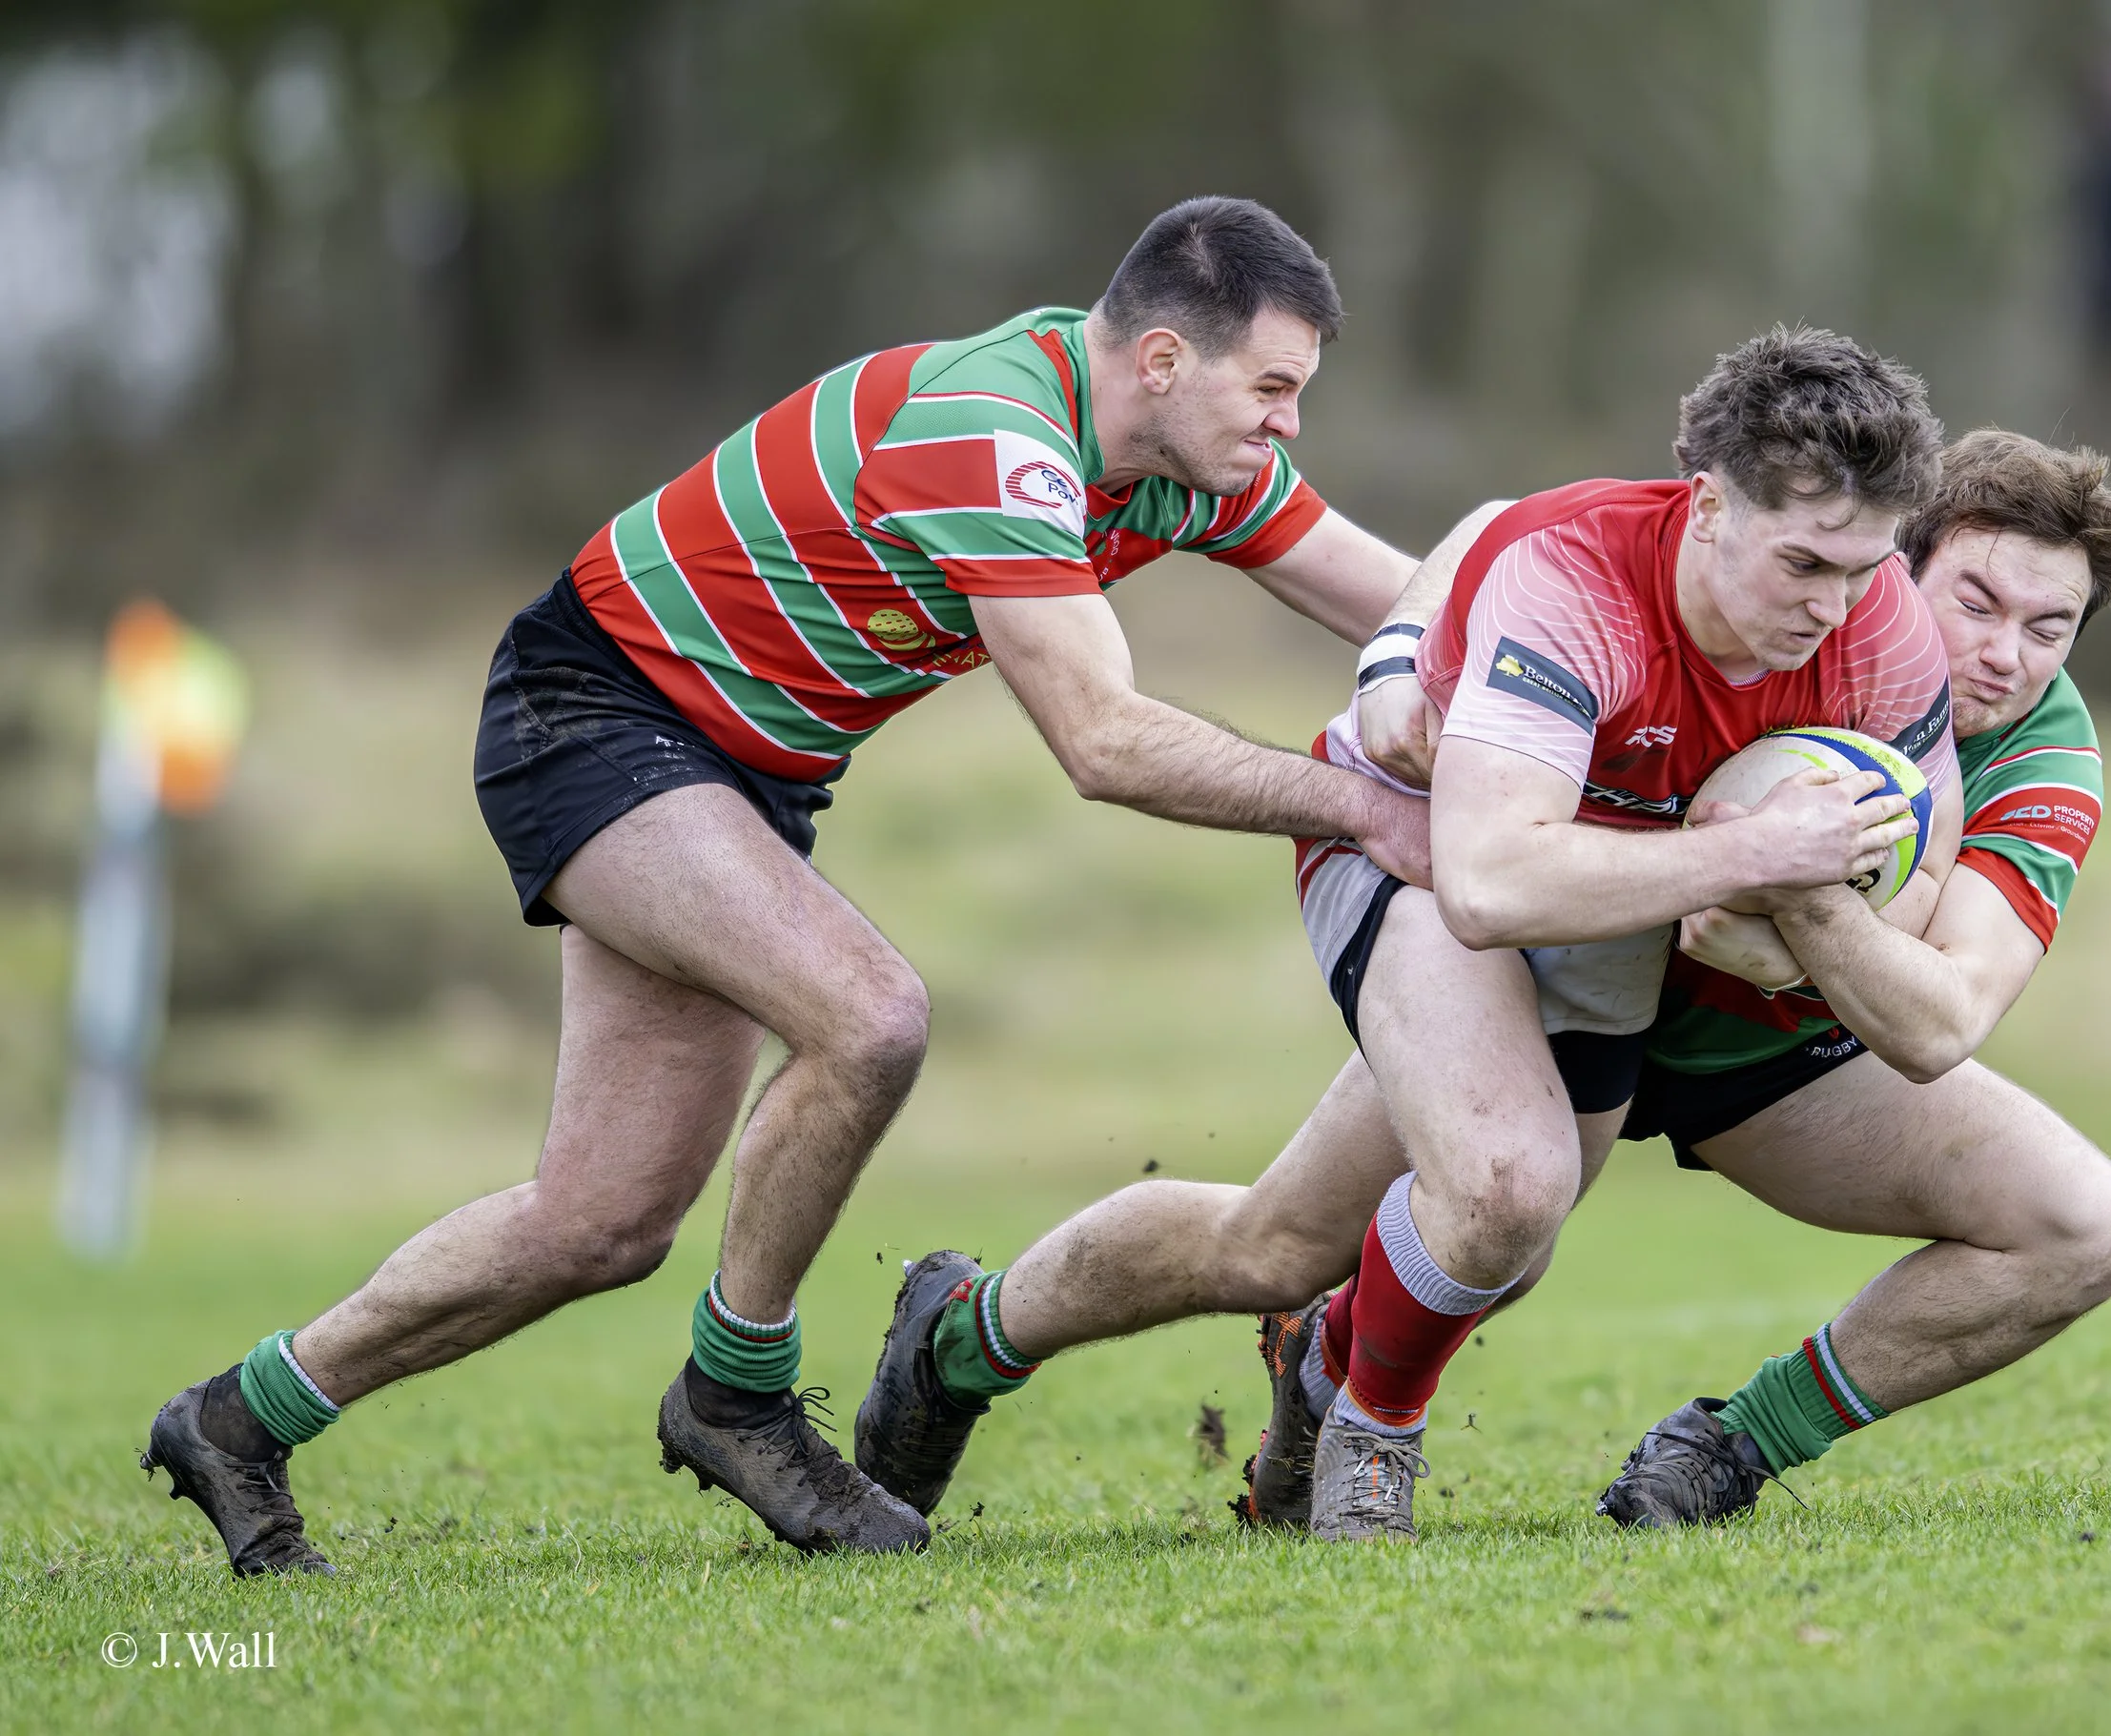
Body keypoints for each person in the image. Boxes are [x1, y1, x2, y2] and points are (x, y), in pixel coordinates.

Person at [138, 196, 1436, 1575]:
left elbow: (1409, 596)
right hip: (596, 711)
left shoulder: (1180, 461)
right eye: (1276, 387)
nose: (1291, 424)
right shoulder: (992, 435)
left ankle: (234, 1419)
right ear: (1166, 361)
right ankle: (736, 1394)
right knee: (869, 1017)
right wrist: (1367, 806)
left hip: (728, 771)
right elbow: (1103, 741)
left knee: (600, 1221)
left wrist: (1564, 677)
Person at [857, 327, 1957, 1543]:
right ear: (1706, 504)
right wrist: (1750, 856)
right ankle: (1367, 1439)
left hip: (1606, 916)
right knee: (1505, 1184)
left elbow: (1905, 892)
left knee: (1304, 1246)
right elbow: (1487, 883)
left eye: (1862, 569)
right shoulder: (1582, 582)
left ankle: (967, 1334)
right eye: (1803, 561)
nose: (1833, 605)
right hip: (1417, 853)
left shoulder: (1880, 624)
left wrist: (1788, 917)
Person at [1591, 428, 2111, 1525]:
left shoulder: (2046, 755)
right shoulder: (1770, 599)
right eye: (1976, 603)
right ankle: (1330, 1371)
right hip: (1564, 994)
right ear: (1892, 565)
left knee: (2084, 1224)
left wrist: (1799, 893)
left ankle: (1727, 1449)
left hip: (1769, 1062)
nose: (2006, 652)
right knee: (1276, 1244)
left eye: (2047, 628)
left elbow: (1942, 1018)